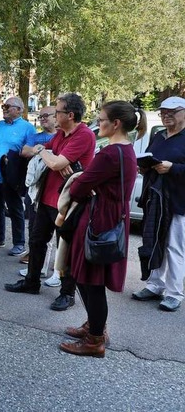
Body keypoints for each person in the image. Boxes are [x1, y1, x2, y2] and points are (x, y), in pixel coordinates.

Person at [60, 101, 143, 357]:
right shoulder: (125, 150)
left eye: (102, 119)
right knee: (87, 276)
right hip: (111, 215)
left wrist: (78, 182)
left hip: (100, 218)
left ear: (115, 123)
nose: (98, 123)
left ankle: (95, 339)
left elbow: (79, 187)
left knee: (90, 279)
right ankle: (94, 325)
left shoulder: (109, 153)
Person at [5, 93, 95, 312]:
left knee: (67, 248)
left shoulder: (83, 135)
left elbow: (56, 163)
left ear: (70, 115)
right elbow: (45, 155)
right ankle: (31, 282)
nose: (55, 115)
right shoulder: (62, 134)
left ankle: (67, 294)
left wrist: (47, 154)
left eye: (58, 112)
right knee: (37, 241)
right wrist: (47, 153)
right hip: (46, 198)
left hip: (68, 201)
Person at [132, 96, 185, 312]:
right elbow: (152, 158)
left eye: (172, 111)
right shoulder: (160, 136)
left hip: (178, 201)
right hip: (156, 199)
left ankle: (174, 293)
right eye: (163, 112)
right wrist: (145, 167)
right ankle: (155, 285)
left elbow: (175, 167)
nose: (166, 115)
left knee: (174, 247)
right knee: (154, 241)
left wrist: (173, 168)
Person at [0, 96, 36, 256]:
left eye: (8, 106)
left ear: (19, 110)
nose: (4, 108)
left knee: (15, 208)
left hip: (12, 175)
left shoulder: (28, 128)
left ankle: (19, 243)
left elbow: (31, 152)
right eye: (3, 105)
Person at [19, 106, 59, 284]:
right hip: (36, 190)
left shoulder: (61, 137)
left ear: (56, 117)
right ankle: (37, 269)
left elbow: (58, 162)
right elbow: (25, 151)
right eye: (40, 116)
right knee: (36, 231)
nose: (42, 119)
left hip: (55, 192)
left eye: (46, 116)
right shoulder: (36, 136)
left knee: (59, 237)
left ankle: (57, 272)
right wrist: (42, 151)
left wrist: (40, 151)